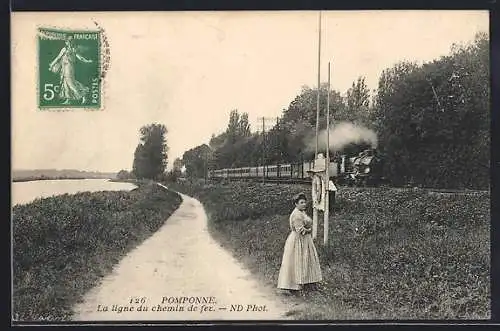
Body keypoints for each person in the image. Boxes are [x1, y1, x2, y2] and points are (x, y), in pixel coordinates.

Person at [277, 192, 322, 293]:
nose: (304, 204)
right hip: (298, 240)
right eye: (301, 202)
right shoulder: (297, 214)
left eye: (305, 202)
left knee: (305, 259)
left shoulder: (301, 212)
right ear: (296, 204)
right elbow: (300, 230)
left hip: (304, 240)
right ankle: (294, 285)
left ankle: (307, 283)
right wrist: (310, 230)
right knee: (296, 260)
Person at [49, 36, 93, 105]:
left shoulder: (73, 49)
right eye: (68, 41)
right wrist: (52, 64)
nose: (69, 42)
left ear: (72, 41)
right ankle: (68, 99)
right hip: (64, 68)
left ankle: (83, 96)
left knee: (71, 83)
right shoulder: (64, 49)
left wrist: (87, 61)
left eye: (71, 40)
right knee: (65, 83)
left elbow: (80, 57)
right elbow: (58, 57)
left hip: (69, 68)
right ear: (66, 42)